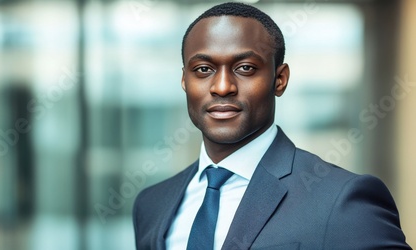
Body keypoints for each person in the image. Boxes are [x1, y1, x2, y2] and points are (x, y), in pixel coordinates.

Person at [132, 2, 410, 250]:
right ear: (184, 81)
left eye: (245, 68)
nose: (222, 87)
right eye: (204, 70)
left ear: (279, 80)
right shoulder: (152, 204)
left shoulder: (342, 200)